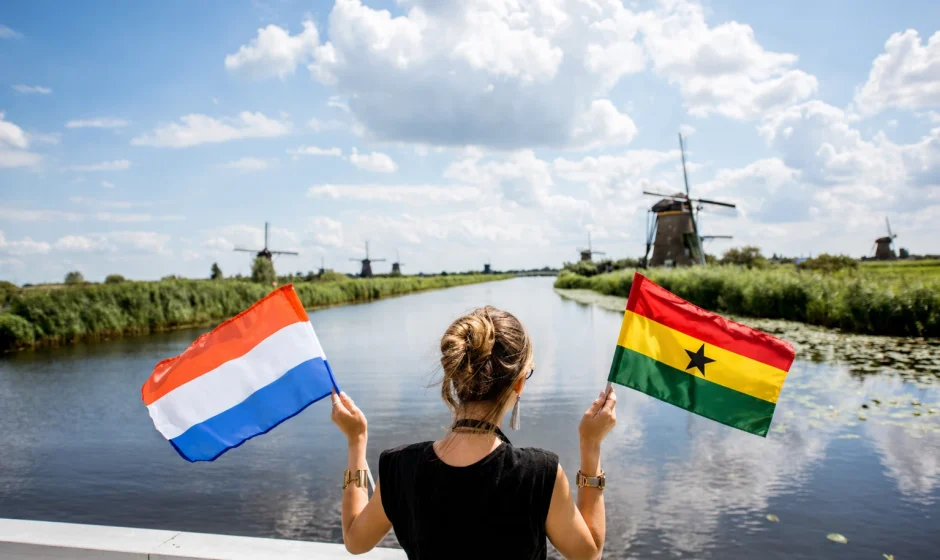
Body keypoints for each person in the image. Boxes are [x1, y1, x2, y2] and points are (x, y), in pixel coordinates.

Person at [330, 306, 617, 559]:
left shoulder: (399, 467)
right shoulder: (540, 474)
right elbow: (587, 554)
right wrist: (590, 445)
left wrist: (356, 441)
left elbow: (356, 541)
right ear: (518, 384)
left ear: (454, 374)